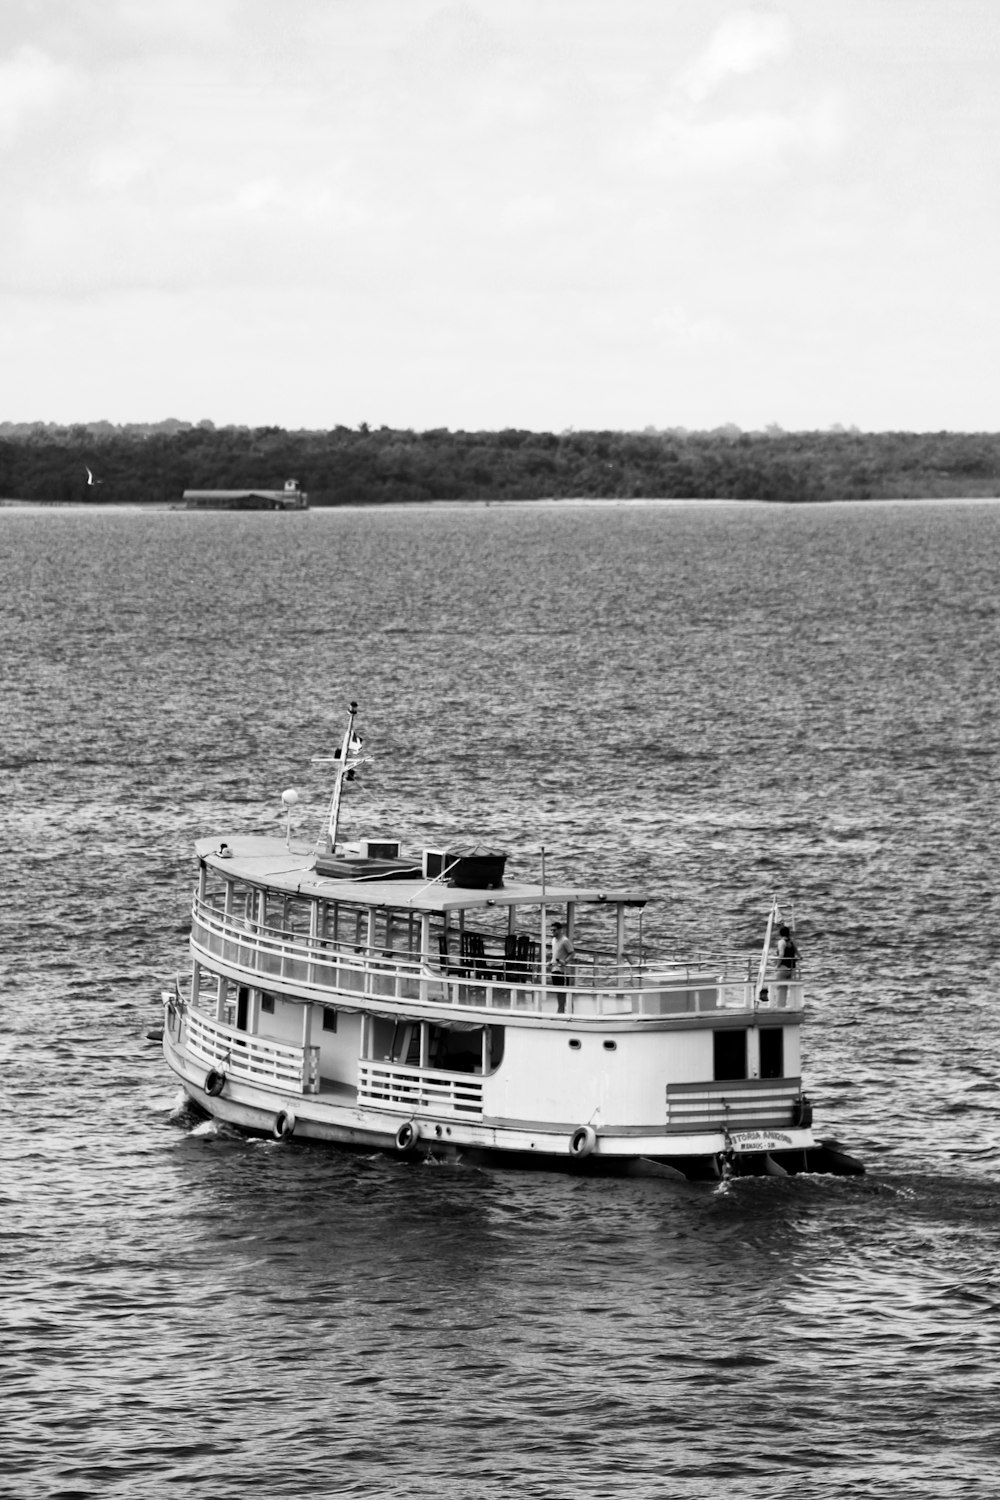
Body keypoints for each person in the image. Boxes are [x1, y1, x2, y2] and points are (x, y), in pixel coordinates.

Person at [550, 922, 575, 1013]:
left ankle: (566, 1012)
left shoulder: (564, 940)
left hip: (563, 971)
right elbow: (556, 953)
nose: (552, 932)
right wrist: (551, 961)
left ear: (560, 930)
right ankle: (561, 1011)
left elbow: (572, 953)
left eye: (554, 930)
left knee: (564, 992)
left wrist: (565, 962)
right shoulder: (553, 940)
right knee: (558, 992)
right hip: (554, 969)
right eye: (551, 930)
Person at [775, 923, 797, 1003]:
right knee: (793, 988)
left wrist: (777, 966)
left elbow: (781, 954)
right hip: (792, 968)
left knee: (781, 988)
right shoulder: (792, 942)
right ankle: (794, 1005)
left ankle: (780, 1007)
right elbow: (798, 954)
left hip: (783, 968)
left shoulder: (781, 942)